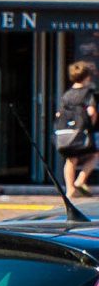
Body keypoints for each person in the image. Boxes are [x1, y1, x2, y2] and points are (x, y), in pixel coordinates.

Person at [59, 61, 98, 200]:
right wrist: (91, 126)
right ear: (87, 77)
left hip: (66, 133)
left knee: (70, 160)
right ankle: (80, 180)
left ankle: (70, 190)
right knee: (95, 155)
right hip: (82, 131)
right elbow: (91, 111)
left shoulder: (67, 94)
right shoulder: (88, 93)